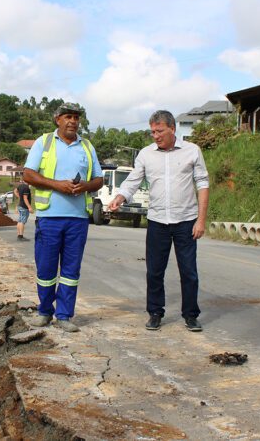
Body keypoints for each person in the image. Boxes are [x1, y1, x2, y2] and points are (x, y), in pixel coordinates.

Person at [108, 110, 209, 332]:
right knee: (154, 271)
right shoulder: (146, 154)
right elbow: (133, 181)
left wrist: (200, 221)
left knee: (189, 271)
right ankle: (155, 313)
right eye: (152, 131)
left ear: (172, 129)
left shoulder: (192, 151)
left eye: (160, 131)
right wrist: (120, 196)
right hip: (157, 222)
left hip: (186, 221)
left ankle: (191, 315)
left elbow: (202, 184)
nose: (155, 135)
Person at [23, 102, 103, 333]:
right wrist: (57, 185)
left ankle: (64, 315)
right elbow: (28, 174)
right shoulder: (44, 142)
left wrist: (85, 186)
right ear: (57, 120)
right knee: (46, 268)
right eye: (68, 116)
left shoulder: (87, 146)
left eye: (76, 117)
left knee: (70, 270)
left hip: (77, 219)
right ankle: (45, 311)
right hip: (50, 217)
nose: (73, 121)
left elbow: (98, 179)